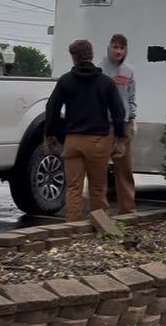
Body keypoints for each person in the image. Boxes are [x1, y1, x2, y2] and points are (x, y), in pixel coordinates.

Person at [45, 39, 127, 222]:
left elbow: (52, 108)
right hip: (98, 142)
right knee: (97, 187)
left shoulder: (65, 81)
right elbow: (118, 112)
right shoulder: (106, 82)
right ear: (91, 55)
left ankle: (73, 228)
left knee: (73, 187)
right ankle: (100, 225)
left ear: (74, 58)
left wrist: (51, 135)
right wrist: (120, 138)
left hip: (73, 141)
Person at [102, 33, 138, 214]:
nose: (118, 51)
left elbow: (131, 98)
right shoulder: (99, 69)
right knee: (99, 170)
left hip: (123, 126)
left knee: (124, 169)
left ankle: (128, 209)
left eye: (122, 48)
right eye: (115, 47)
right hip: (104, 125)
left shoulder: (129, 70)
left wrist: (131, 118)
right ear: (108, 47)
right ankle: (101, 211)